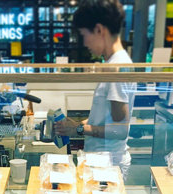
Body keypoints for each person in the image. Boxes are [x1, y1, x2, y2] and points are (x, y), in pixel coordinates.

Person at [53, 0, 136, 178]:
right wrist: (77, 125)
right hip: (101, 162)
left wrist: (79, 130)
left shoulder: (117, 68)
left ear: (99, 30)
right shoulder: (113, 64)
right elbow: (105, 119)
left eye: (84, 35)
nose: (84, 43)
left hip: (108, 166)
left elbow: (119, 131)